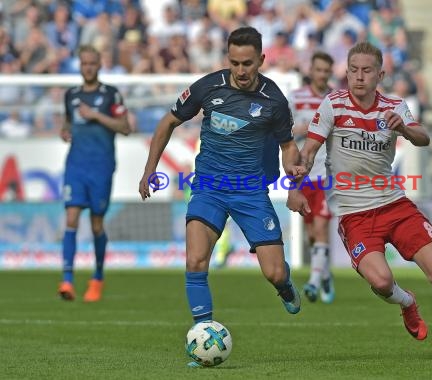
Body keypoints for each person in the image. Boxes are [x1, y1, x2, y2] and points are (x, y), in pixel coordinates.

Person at [287, 41, 432, 361]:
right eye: (353, 70)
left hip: (394, 204)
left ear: (380, 74)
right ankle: (406, 303)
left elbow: (423, 137)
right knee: (383, 282)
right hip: (354, 214)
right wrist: (295, 187)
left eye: (366, 70)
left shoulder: (395, 106)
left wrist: (407, 131)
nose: (358, 77)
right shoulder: (333, 104)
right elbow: (309, 150)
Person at [138, 26, 302, 366]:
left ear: (261, 59)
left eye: (248, 63)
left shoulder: (274, 100)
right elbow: (167, 122)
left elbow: (288, 146)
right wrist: (149, 169)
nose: (240, 71)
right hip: (209, 187)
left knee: (273, 272)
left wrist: (294, 186)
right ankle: (203, 337)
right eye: (234, 62)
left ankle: (285, 286)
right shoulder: (207, 87)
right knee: (196, 261)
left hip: (251, 192)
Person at [58, 45, 131, 302]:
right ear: (80, 65)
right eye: (84, 63)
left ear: (99, 65)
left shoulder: (111, 95)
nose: (88, 67)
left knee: (97, 224)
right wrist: (65, 131)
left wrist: (97, 116)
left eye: (92, 63)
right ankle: (67, 280)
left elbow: (125, 127)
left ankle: (97, 278)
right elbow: (68, 121)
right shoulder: (71, 95)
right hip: (75, 165)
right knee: (71, 217)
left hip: (101, 166)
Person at [289, 51, 336, 304]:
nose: (322, 75)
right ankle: (325, 274)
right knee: (310, 234)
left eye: (326, 71)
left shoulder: (337, 98)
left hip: (327, 175)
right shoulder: (296, 98)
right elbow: (283, 129)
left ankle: (313, 282)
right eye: (318, 70)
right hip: (302, 174)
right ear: (311, 71)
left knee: (321, 228)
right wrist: (307, 128)